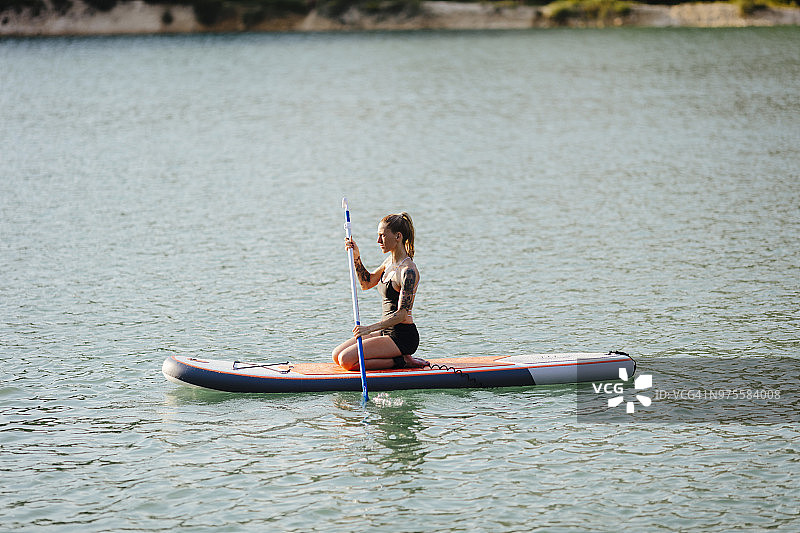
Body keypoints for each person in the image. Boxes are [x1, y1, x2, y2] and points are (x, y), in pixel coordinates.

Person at [332, 212, 428, 371]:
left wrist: (369, 329)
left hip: (402, 336)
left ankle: (401, 361)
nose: (378, 241)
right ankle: (399, 357)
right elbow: (366, 283)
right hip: (386, 332)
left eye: (382, 236)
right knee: (337, 355)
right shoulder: (389, 262)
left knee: (346, 360)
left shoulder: (408, 271)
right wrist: (356, 257)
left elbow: (403, 314)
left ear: (398, 236)